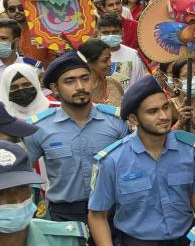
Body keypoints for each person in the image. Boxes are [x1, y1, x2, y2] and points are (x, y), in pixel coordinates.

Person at [87, 76, 195, 246]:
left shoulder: (191, 150)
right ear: (134, 119)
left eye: (165, 107)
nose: (164, 116)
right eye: (153, 111)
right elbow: (96, 216)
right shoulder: (113, 161)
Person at [23, 52, 128, 223]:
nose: (80, 86)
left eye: (85, 78)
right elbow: (22, 172)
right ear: (55, 88)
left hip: (113, 214)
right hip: (64, 217)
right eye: (69, 81)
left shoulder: (116, 122)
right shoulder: (39, 128)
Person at [96, 12, 147, 90]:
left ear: (122, 32)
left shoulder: (134, 55)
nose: (110, 36)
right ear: (98, 33)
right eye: (105, 33)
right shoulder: (92, 56)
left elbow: (140, 86)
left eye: (115, 32)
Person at [78, 39, 125, 106]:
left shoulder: (114, 84)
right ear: (89, 63)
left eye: (110, 58)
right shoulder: (78, 91)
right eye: (105, 60)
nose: (110, 64)